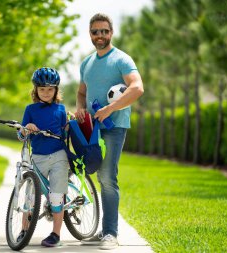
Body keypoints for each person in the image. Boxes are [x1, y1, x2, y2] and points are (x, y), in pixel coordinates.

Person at [75, 13, 144, 250]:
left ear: (111, 32)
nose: (100, 36)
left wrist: (110, 109)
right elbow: (82, 92)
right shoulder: (86, 63)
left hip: (114, 127)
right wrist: (80, 108)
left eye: (104, 31)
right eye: (96, 32)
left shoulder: (122, 59)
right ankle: (105, 230)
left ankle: (111, 234)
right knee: (97, 174)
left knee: (107, 177)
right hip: (91, 128)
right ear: (90, 34)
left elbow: (137, 88)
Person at [17, 67, 69, 247]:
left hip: (58, 156)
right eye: (42, 89)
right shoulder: (30, 109)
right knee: (30, 196)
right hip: (37, 157)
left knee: (56, 196)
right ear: (35, 90)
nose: (46, 93)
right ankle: (24, 230)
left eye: (50, 89)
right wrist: (27, 128)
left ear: (56, 90)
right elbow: (22, 135)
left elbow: (67, 132)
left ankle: (56, 234)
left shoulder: (61, 109)